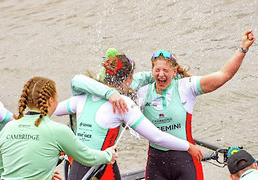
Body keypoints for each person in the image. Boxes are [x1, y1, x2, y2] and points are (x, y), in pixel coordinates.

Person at [69, 30, 256, 180]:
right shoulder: (141, 92)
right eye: (157, 70)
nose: (161, 74)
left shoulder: (185, 88)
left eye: (165, 70)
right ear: (151, 72)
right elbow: (106, 83)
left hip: (186, 162)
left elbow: (223, 76)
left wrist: (242, 49)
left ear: (174, 71)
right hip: (156, 164)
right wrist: (108, 91)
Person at [54, 54, 203, 180]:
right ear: (128, 80)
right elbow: (157, 137)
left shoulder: (84, 97)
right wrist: (188, 146)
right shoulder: (122, 104)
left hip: (74, 165)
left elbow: (53, 110)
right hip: (101, 169)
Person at [0, 76, 118, 180]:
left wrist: (42, 173)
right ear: (50, 100)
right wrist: (108, 155)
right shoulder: (57, 130)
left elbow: (0, 170)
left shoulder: (6, 129)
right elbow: (87, 157)